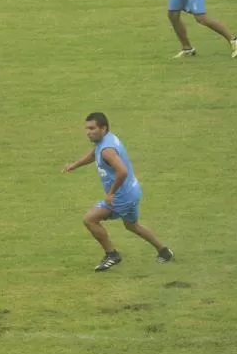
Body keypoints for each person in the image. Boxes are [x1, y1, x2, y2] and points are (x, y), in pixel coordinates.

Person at [62, 113, 174, 271]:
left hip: (122, 196)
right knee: (132, 225)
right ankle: (164, 251)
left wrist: (111, 193)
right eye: (87, 128)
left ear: (103, 128)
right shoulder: (106, 139)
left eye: (92, 128)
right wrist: (75, 165)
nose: (88, 132)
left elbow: (122, 171)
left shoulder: (107, 150)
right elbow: (94, 154)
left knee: (90, 219)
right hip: (133, 190)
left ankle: (112, 255)